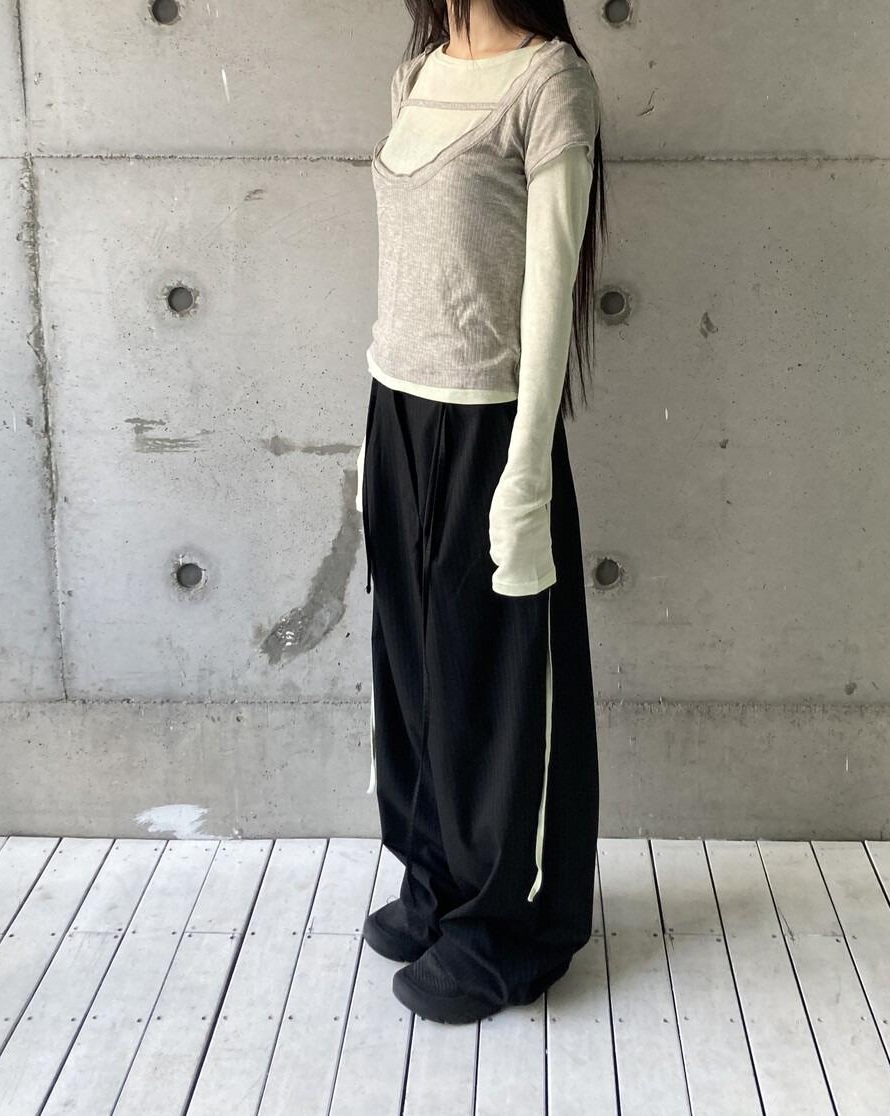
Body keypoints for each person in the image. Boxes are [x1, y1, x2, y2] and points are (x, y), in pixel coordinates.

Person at [357, 0, 606, 1025]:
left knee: (495, 685)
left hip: (488, 420)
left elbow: (550, 298)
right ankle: (435, 883)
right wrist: (373, 435)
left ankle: (505, 929)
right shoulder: (415, 73)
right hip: (396, 411)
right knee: (411, 674)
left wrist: (526, 472)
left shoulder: (548, 84)